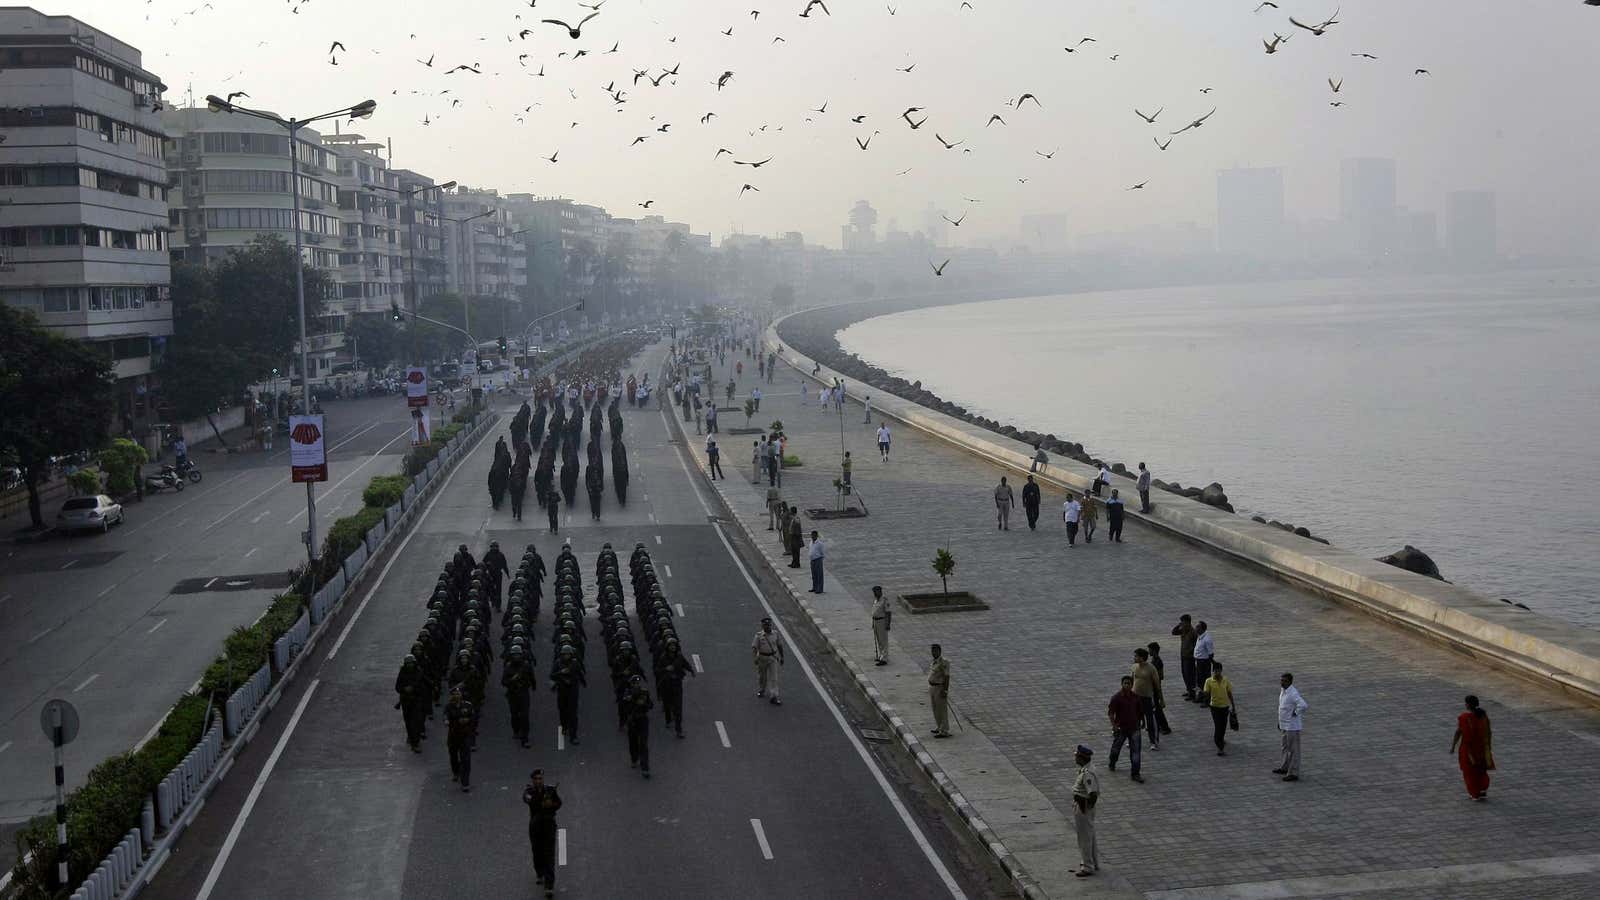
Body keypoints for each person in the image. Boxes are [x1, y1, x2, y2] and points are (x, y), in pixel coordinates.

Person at [524, 770, 562, 898]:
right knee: (537, 852)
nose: (539, 781)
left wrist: (551, 804)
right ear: (532, 780)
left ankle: (549, 885)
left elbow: (559, 803)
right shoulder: (529, 792)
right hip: (535, 827)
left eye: (541, 778)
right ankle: (539, 872)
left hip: (549, 826)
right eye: (536, 779)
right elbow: (529, 801)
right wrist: (543, 801)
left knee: (549, 855)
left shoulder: (550, 790)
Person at [1451, 695, 1495, 800]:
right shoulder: (1483, 716)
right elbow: (1488, 732)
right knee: (1481, 769)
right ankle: (1482, 789)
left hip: (1469, 750)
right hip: (1482, 748)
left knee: (1469, 771)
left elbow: (1458, 732)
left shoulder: (1464, 718)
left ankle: (1474, 793)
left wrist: (1453, 746)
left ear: (1468, 705)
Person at [1107, 675, 1144, 782]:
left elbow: (1140, 712)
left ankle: (1135, 773)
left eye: (1129, 683)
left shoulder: (1136, 697)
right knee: (1115, 749)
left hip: (1134, 728)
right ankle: (1112, 762)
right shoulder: (1116, 698)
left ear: (1132, 685)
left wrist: (1142, 722)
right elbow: (1111, 713)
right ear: (1122, 684)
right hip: (1121, 728)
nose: (1127, 685)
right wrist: (1114, 726)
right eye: (1125, 683)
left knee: (1136, 752)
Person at [1071, 745, 1100, 877]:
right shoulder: (1086, 769)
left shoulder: (1087, 773)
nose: (1075, 757)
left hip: (1083, 807)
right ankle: (1093, 862)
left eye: (1076, 756)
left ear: (1082, 758)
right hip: (1083, 805)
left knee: (1084, 838)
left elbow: (1093, 793)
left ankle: (1087, 867)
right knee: (1089, 835)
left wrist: (1086, 807)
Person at [1275, 673, 1308, 781]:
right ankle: (1285, 767)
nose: (1281, 682)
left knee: (1293, 749)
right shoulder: (1283, 691)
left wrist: (1296, 712)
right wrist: (1280, 722)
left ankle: (1293, 773)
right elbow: (1282, 707)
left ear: (1289, 682)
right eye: (1281, 680)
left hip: (1292, 726)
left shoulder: (1293, 693)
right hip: (1285, 725)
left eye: (1284, 681)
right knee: (1284, 747)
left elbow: (1303, 705)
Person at [445, 686, 475, 792]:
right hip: (453, 736)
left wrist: (467, 720)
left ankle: (465, 782)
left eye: (458, 694)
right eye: (455, 694)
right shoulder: (449, 706)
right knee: (453, 756)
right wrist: (447, 721)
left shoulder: (468, 705)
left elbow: (473, 718)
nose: (457, 696)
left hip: (465, 736)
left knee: (466, 760)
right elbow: (446, 716)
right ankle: (456, 772)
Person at [1131, 648, 1161, 749]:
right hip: (1135, 697)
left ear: (1142, 657)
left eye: (1136, 656)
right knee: (1135, 720)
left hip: (1147, 697)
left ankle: (1153, 741)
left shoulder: (1151, 668)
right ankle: (1133, 740)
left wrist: (1161, 699)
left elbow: (1157, 685)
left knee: (1150, 720)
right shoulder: (1134, 667)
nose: (1134, 658)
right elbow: (1132, 681)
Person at [623, 674, 653, 778]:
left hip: (643, 720)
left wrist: (644, 704)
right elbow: (624, 706)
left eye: (637, 683)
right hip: (633, 721)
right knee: (633, 742)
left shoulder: (644, 692)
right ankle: (634, 759)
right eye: (634, 683)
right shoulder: (628, 693)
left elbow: (651, 705)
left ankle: (645, 768)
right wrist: (632, 700)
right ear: (631, 684)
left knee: (643, 744)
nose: (636, 685)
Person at [1204, 661, 1236, 756]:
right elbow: (1206, 693)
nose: (1217, 673)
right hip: (1215, 707)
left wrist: (1233, 706)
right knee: (1218, 726)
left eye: (1218, 671)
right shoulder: (1208, 681)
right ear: (1213, 671)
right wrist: (1202, 694)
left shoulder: (1225, 680)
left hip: (1225, 707)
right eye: (1215, 671)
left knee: (1223, 726)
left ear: (1221, 671)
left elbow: (1229, 693)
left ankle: (1220, 739)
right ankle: (1220, 747)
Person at [752, 617, 784, 705]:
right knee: (762, 677)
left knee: (774, 678)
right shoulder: (758, 636)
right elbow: (754, 648)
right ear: (762, 626)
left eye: (769, 625)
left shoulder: (776, 634)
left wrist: (782, 657)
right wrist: (755, 658)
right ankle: (762, 689)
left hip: (772, 658)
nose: (767, 627)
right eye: (765, 625)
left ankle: (774, 696)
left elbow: (780, 645)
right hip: (762, 658)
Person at [1146, 642, 1173, 736]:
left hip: (1155, 687)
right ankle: (1158, 725)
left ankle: (1165, 727)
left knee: (1157, 708)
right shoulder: (1154, 660)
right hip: (1152, 687)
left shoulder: (1157, 661)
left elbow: (1160, 676)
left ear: (1153, 650)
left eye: (1149, 649)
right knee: (1155, 708)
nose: (1148, 651)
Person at [1171, 614, 1198, 701]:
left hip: (1189, 657)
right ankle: (1188, 690)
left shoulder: (1193, 632)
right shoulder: (1183, 630)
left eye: (1183, 622)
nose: (1182, 623)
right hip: (1183, 656)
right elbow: (1173, 632)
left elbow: (1196, 645)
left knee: (1190, 675)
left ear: (1187, 622)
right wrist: (1179, 625)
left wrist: (1192, 653)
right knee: (1184, 673)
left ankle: (1192, 693)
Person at [928, 644, 952, 737]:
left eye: (936, 651)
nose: (934, 653)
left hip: (939, 688)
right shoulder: (933, 662)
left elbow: (947, 677)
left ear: (940, 651)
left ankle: (944, 730)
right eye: (932, 651)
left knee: (941, 710)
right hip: (932, 687)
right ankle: (939, 727)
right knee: (935, 709)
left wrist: (945, 690)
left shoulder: (944, 662)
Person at [1193, 621, 1215, 702]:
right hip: (1199, 661)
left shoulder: (1207, 639)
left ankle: (1207, 699)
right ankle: (1201, 696)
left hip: (1204, 662)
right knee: (1199, 681)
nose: (1195, 628)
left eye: (1197, 627)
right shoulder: (1200, 636)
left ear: (1202, 629)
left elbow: (1210, 654)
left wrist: (1210, 663)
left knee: (1205, 681)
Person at [870, 585, 892, 665]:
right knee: (878, 640)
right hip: (876, 622)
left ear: (880, 591)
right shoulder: (876, 600)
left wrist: (888, 624)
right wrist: (873, 623)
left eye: (877, 591)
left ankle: (884, 658)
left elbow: (888, 613)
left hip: (882, 621)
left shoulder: (884, 600)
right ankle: (880, 656)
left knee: (883, 640)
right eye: (874, 592)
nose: (875, 593)